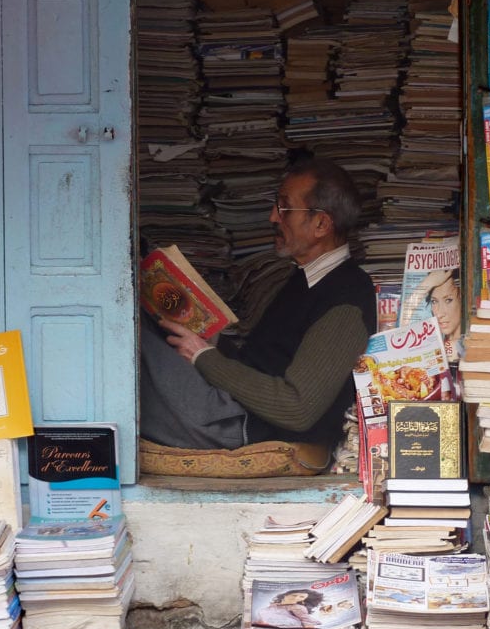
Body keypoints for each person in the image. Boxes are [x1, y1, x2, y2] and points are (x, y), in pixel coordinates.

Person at [140, 157, 377, 452]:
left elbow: (297, 408)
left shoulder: (346, 297)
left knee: (129, 334)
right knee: (145, 314)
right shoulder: (302, 280)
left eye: (284, 208)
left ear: (321, 224)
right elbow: (262, 363)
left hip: (236, 424)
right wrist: (210, 336)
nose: (273, 217)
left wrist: (204, 357)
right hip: (231, 408)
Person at [421, 269, 463, 364]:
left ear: (462, 300)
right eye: (434, 301)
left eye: (448, 300)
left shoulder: (465, 346)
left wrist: (422, 288)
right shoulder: (435, 343)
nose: (439, 314)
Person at [254, 589, 324, 629]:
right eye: (294, 595)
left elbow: (306, 620)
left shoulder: (297, 608)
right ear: (285, 595)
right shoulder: (273, 606)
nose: (296, 598)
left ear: (303, 600)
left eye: (301, 597)